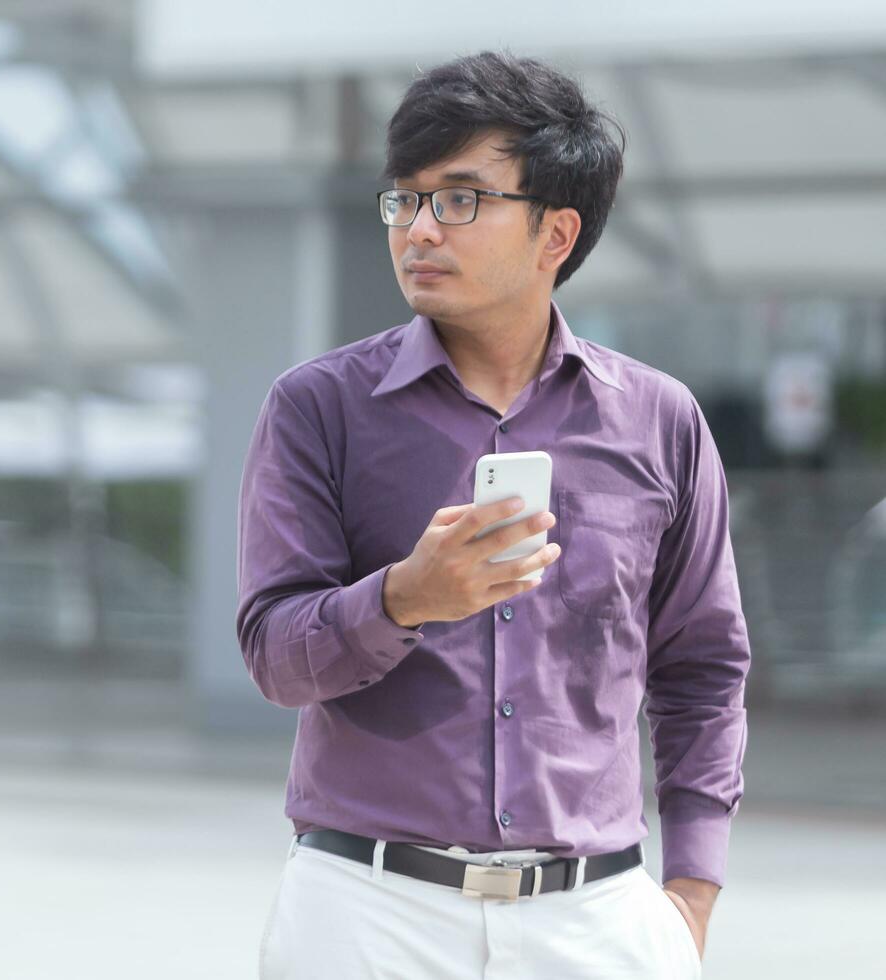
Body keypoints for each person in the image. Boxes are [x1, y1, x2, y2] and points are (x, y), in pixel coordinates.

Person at [236, 50, 748, 978]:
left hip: (597, 919)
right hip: (368, 912)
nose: (420, 229)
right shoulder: (318, 408)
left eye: (461, 198)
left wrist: (691, 896)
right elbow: (273, 654)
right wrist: (401, 599)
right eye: (406, 198)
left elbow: (703, 671)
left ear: (556, 232)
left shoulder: (658, 420)